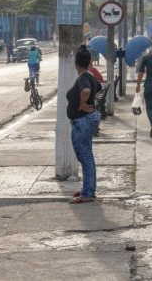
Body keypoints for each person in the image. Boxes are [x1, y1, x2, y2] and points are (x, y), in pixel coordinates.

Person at [66, 46, 101, 204]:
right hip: (87, 119)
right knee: (87, 156)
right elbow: (98, 87)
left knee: (85, 157)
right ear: (89, 62)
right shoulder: (90, 75)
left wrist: (81, 104)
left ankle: (88, 193)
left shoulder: (83, 78)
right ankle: (89, 188)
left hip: (82, 121)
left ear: (76, 63)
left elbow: (86, 91)